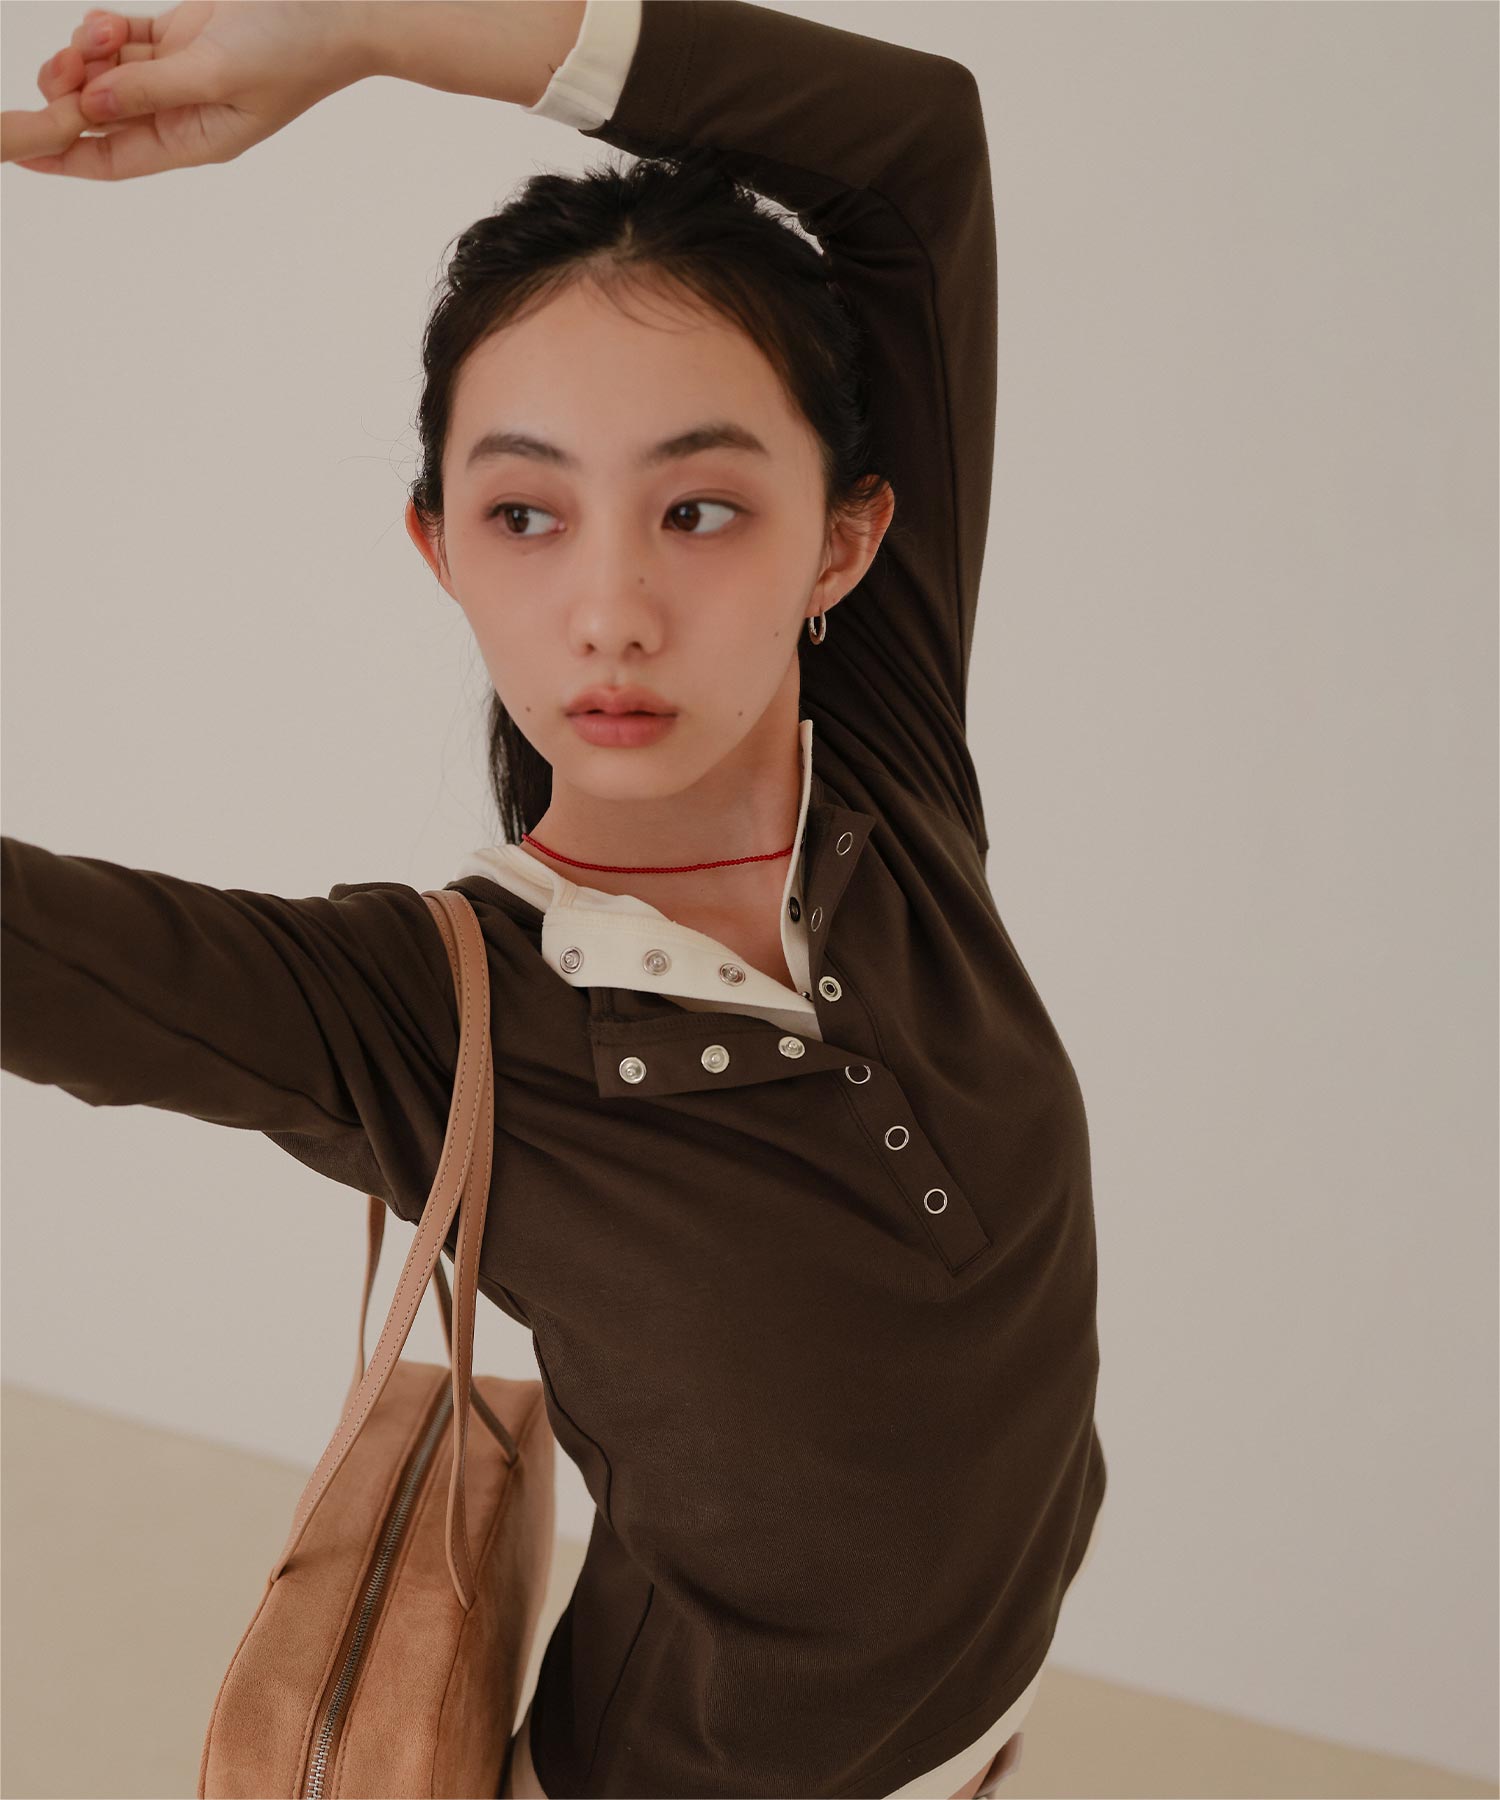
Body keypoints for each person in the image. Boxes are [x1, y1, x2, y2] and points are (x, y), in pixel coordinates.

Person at [1, 3, 1106, 1795]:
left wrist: (364, 29)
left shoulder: (886, 776)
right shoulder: (423, 1017)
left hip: (984, 1749)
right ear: (440, 545)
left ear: (843, 541)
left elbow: (914, 152)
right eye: (526, 515)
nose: (610, 614)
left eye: (700, 511)